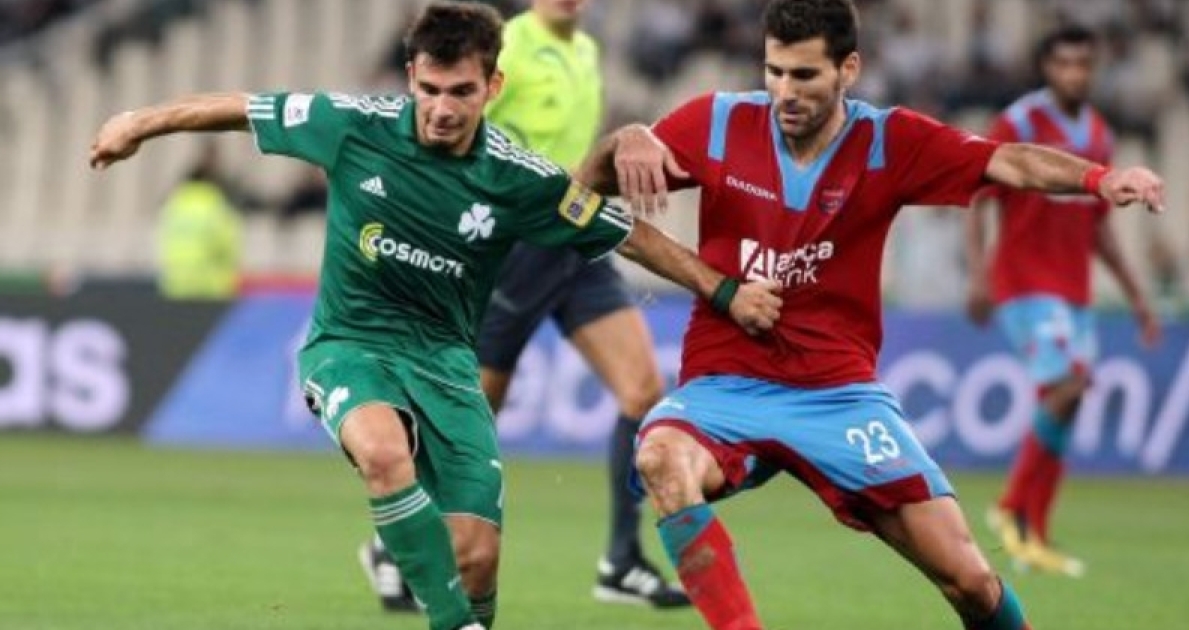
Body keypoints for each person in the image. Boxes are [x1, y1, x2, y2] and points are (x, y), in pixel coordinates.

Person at [88, 4, 783, 630]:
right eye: (429, 89)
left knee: (476, 558)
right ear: (411, 78)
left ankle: (454, 606)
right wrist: (138, 123)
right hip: (350, 345)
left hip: (448, 364)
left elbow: (625, 233)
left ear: (492, 87)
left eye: (461, 92)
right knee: (383, 454)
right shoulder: (355, 126)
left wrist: (723, 291)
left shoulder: (518, 178)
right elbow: (245, 106)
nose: (442, 108)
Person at [576, 0, 1165, 628]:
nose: (784, 92)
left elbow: (1009, 161)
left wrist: (1100, 179)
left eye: (804, 75)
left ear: (848, 69)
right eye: (774, 71)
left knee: (969, 580)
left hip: (838, 395)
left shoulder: (889, 141)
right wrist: (627, 138)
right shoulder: (716, 124)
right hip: (727, 387)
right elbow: (585, 188)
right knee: (661, 458)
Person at [357, 0, 689, 612]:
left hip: (572, 244)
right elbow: (451, 136)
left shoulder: (585, 50)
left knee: (644, 394)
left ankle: (620, 560)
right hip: (511, 249)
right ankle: (390, 542)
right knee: (472, 412)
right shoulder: (506, 47)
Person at [965, 25, 1161, 577]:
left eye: (1083, 64)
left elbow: (1100, 228)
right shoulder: (1020, 124)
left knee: (1067, 403)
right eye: (1064, 63)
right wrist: (978, 275)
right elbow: (978, 197)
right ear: (1046, 68)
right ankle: (1010, 508)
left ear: (1094, 68)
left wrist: (1137, 296)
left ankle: (1035, 533)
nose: (1074, 73)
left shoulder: (1098, 134)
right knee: (1067, 387)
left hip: (1074, 290)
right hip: (1024, 283)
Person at [157, 142, 242, 299]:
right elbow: (227, 245)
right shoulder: (216, 205)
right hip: (209, 288)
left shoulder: (176, 202)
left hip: (175, 286)